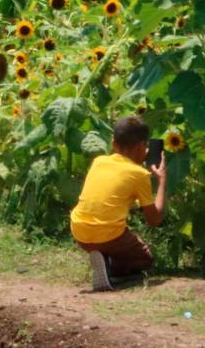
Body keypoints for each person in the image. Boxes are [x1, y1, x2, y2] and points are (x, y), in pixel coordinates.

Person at [69, 114, 167, 291]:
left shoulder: (99, 162)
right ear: (142, 146)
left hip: (79, 232)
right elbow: (154, 220)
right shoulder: (139, 174)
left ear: (114, 143)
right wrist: (162, 181)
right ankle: (111, 269)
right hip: (108, 235)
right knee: (145, 259)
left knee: (115, 234)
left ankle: (103, 258)